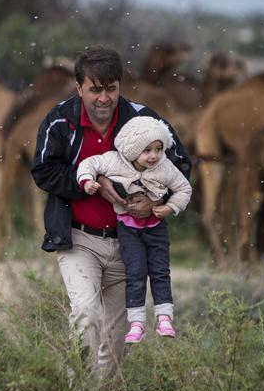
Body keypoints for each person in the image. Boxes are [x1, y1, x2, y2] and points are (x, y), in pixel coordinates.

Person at [31, 47, 191, 383]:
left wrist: (153, 199)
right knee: (86, 316)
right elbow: (43, 171)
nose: (104, 98)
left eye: (111, 88)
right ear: (79, 88)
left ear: (120, 85)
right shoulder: (60, 121)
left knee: (116, 341)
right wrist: (91, 184)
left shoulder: (143, 119)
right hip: (78, 239)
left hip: (129, 243)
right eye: (95, 89)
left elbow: (181, 164)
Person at [76, 116, 192, 343]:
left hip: (157, 228)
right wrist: (87, 181)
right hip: (128, 230)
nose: (154, 156)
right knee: (135, 273)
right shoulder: (115, 161)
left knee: (160, 272)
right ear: (132, 149)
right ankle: (136, 322)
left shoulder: (165, 167)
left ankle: (164, 317)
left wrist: (169, 207)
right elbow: (88, 164)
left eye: (159, 149)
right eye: (147, 150)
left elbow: (184, 189)